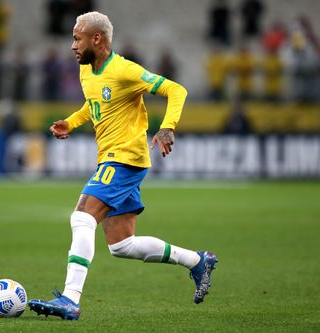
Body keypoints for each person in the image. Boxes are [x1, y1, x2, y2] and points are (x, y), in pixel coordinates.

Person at [28, 11, 218, 321]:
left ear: (97, 38)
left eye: (77, 38)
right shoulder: (87, 71)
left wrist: (168, 126)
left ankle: (70, 299)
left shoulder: (125, 70)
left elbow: (176, 90)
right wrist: (72, 122)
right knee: (122, 245)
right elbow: (95, 103)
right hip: (113, 158)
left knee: (82, 216)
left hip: (125, 158)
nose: (72, 45)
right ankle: (197, 260)